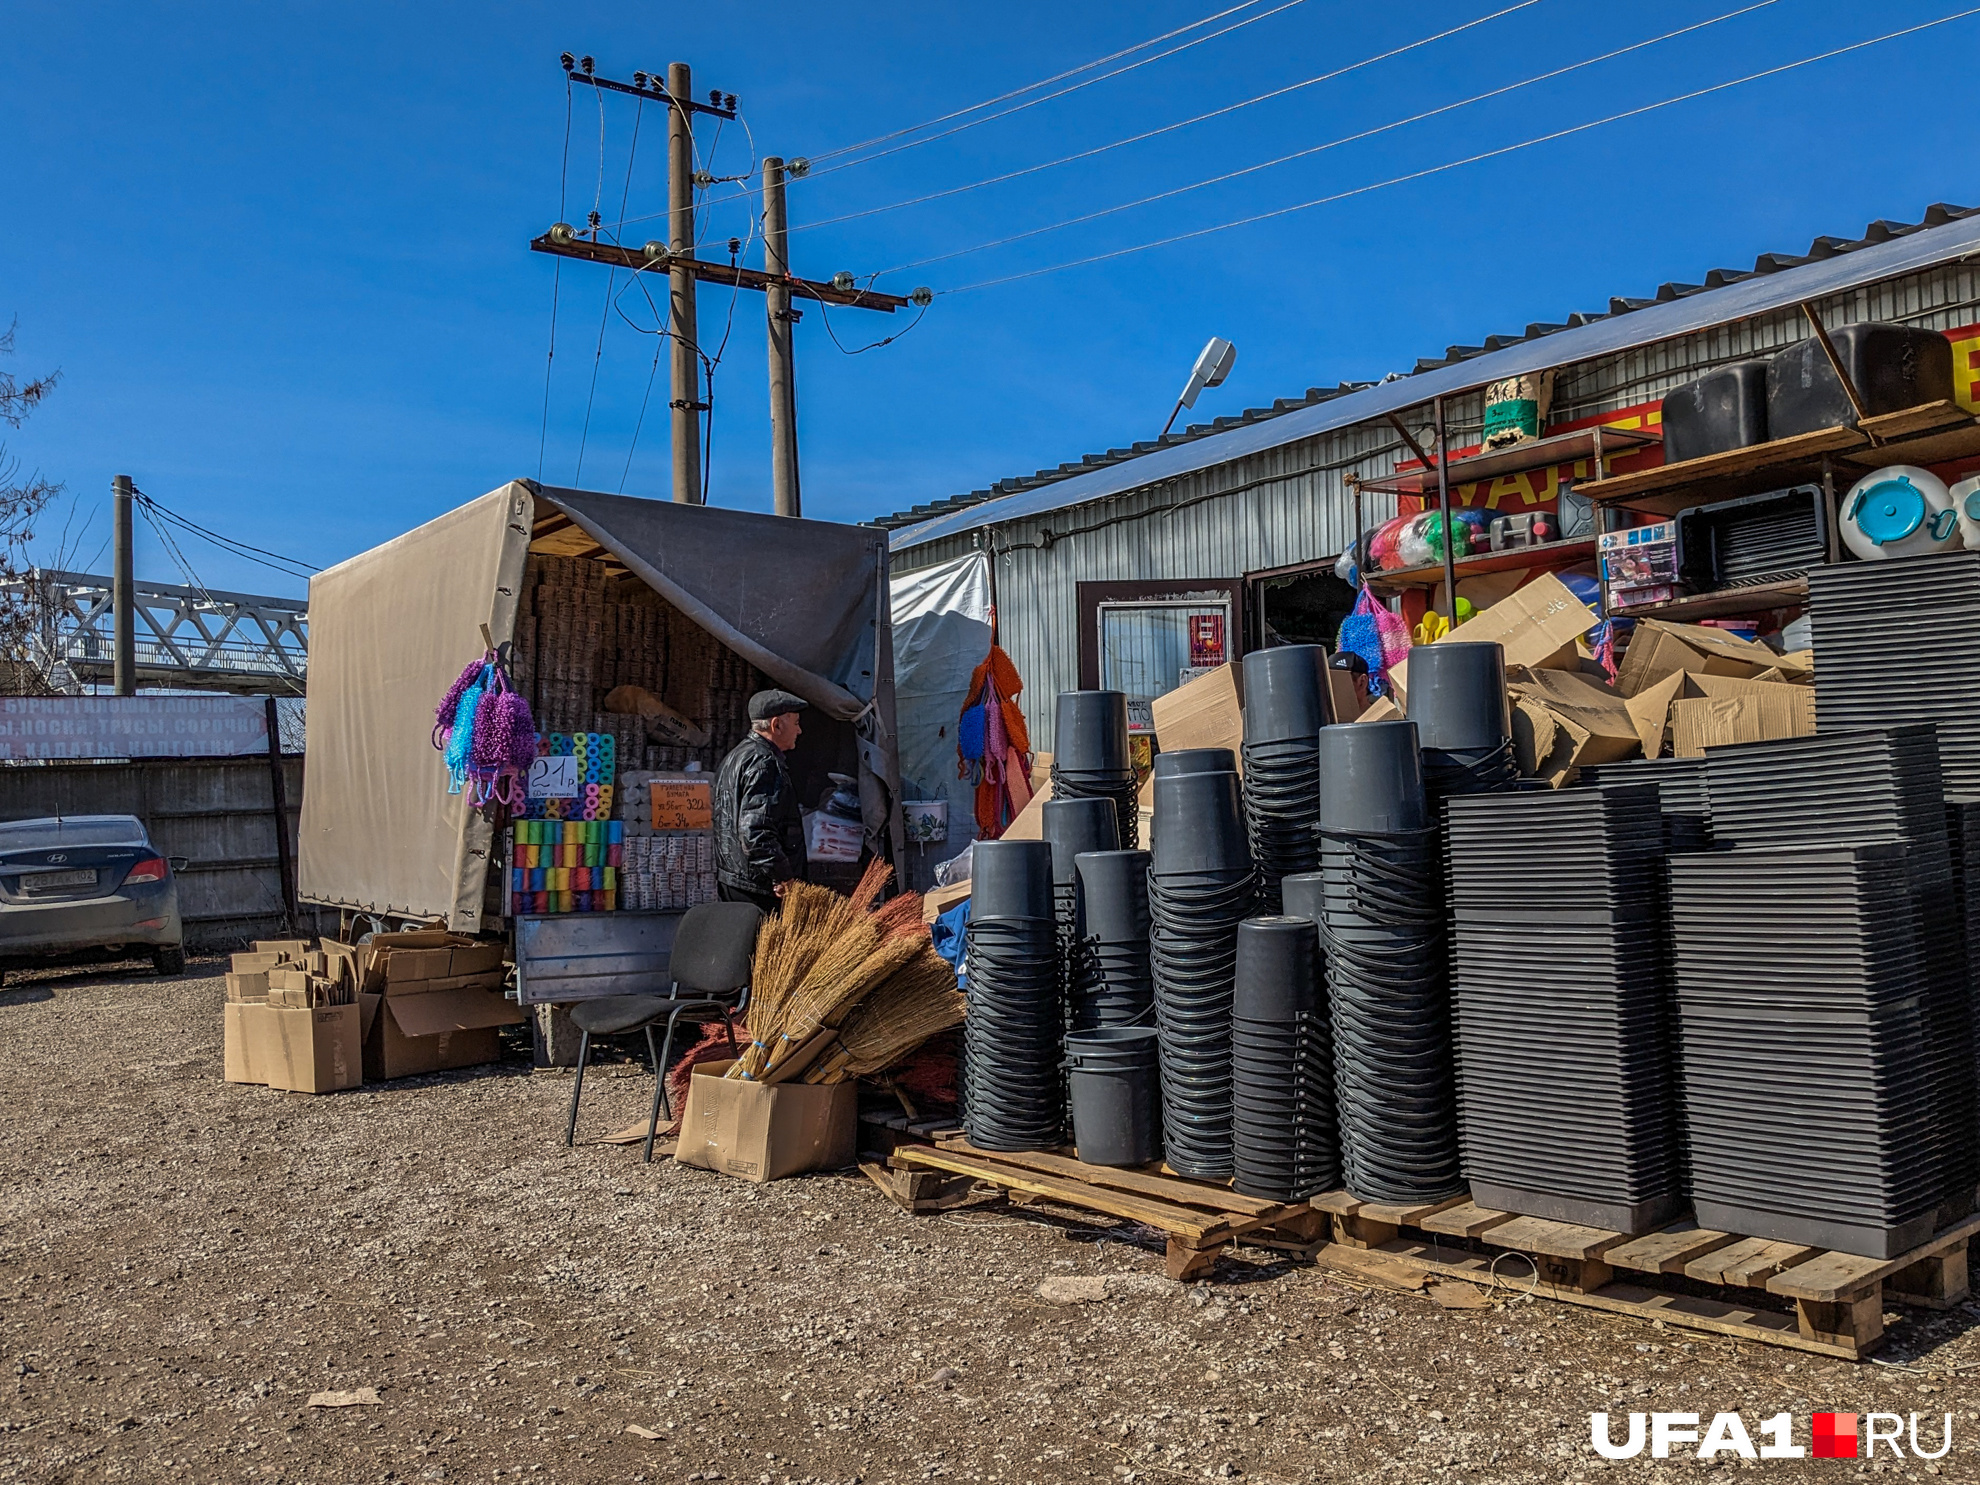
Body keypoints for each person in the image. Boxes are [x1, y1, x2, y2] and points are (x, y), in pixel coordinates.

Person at [713, 689, 808, 914]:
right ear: (776, 725)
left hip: (733, 879)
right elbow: (755, 831)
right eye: (795, 723)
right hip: (758, 887)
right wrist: (782, 876)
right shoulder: (764, 762)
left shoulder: (736, 756)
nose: (799, 730)